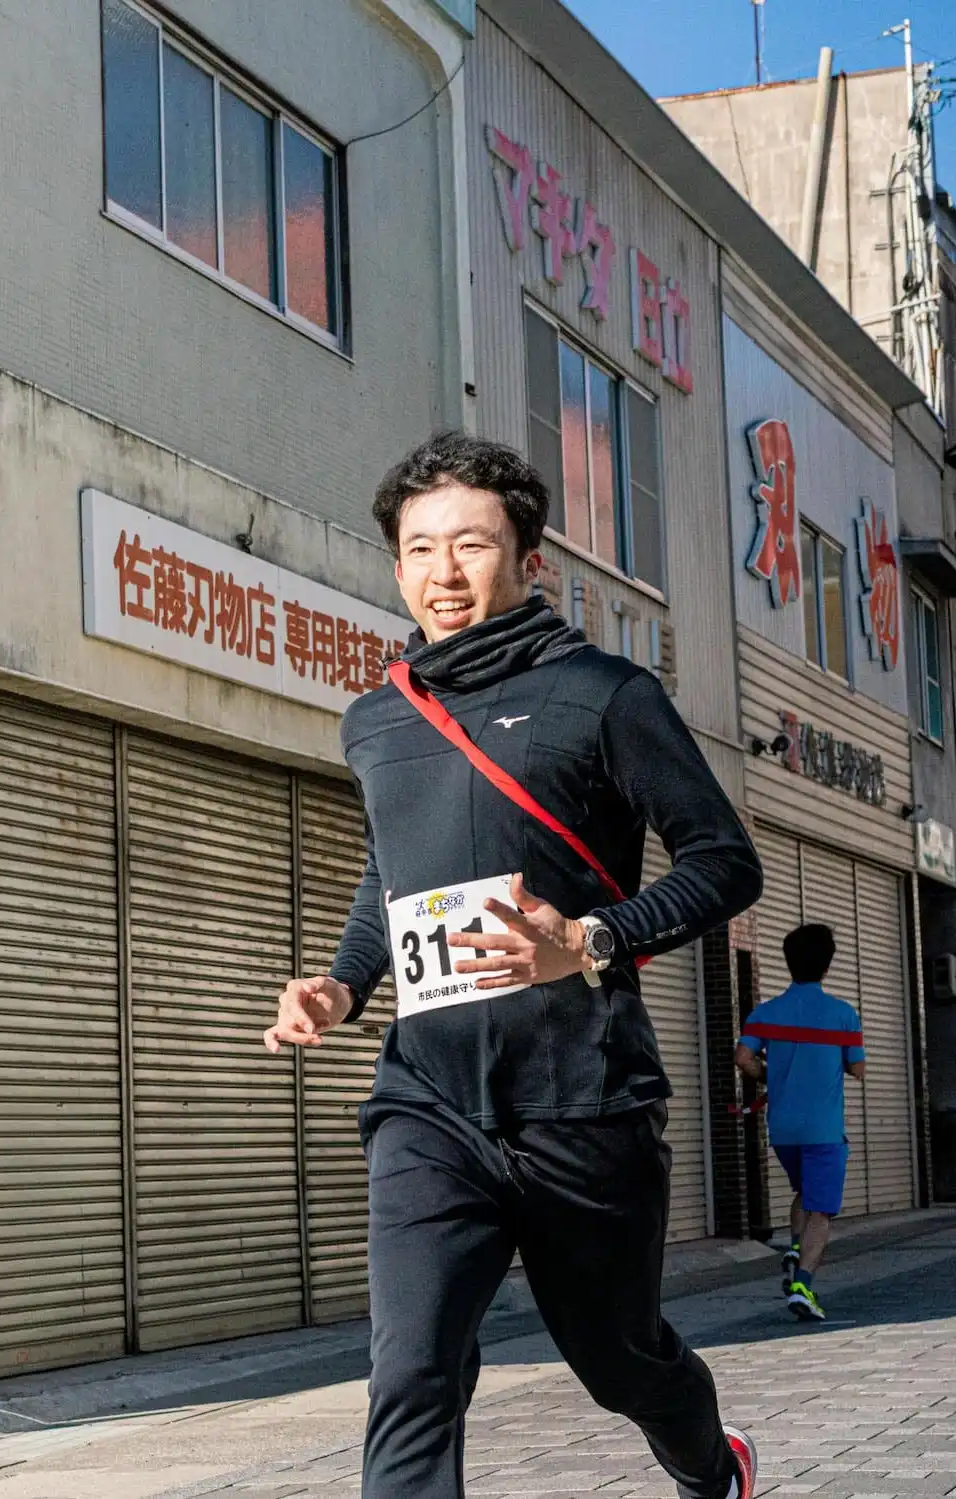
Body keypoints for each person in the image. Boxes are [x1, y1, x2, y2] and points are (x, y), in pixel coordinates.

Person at [265, 432, 764, 1499]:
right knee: (411, 1370)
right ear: (397, 565)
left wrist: (588, 938)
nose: (443, 571)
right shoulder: (377, 719)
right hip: (429, 1099)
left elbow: (725, 863)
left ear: (530, 560)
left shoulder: (604, 693)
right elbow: (391, 876)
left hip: (583, 1096)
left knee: (618, 1356)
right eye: (419, 548)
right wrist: (344, 984)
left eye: (472, 544)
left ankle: (708, 1463)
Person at [735, 922, 866, 1323]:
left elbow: (743, 1059)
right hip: (824, 1130)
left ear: (789, 962)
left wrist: (768, 1075)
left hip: (783, 1129)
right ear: (827, 965)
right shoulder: (843, 1015)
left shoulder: (765, 1013)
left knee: (805, 1191)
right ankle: (803, 1286)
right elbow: (858, 1069)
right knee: (821, 1211)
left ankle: (794, 1248)